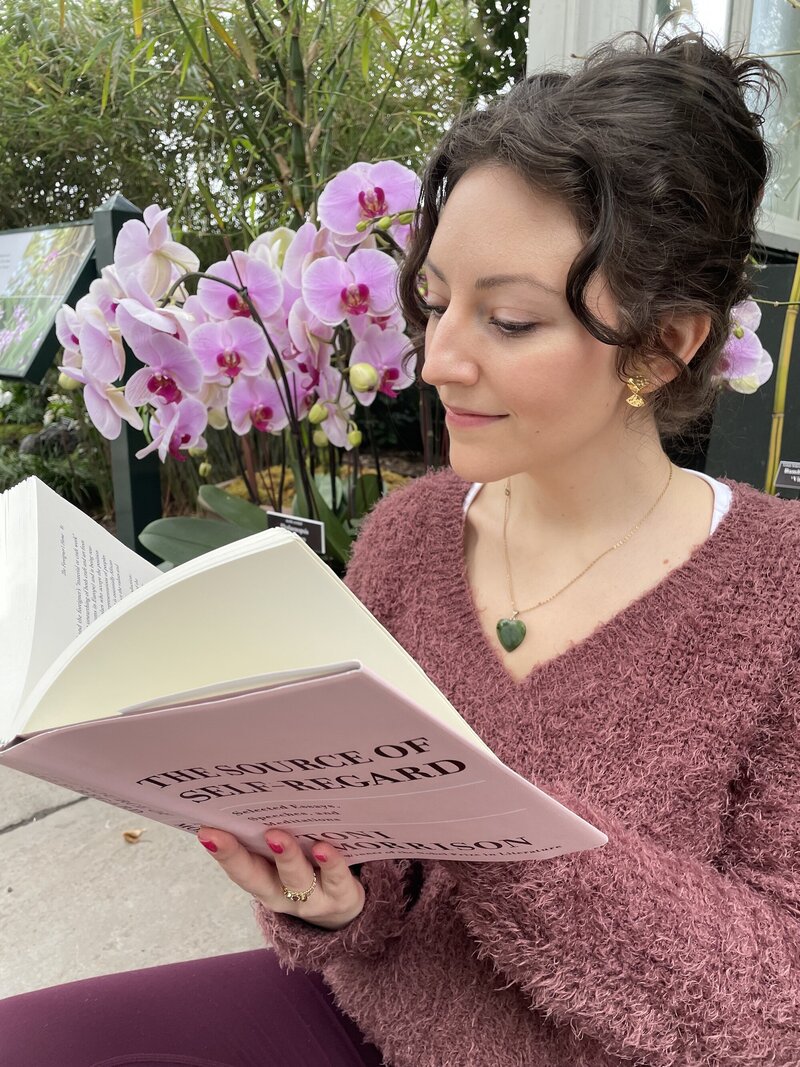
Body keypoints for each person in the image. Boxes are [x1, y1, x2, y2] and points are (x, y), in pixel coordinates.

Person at [4, 22, 800, 1067]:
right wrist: (327, 898)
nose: (436, 360)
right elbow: (380, 894)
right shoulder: (413, 536)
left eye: (507, 321)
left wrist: (513, 833)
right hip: (371, 1019)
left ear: (664, 343)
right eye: (431, 304)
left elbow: (770, 1002)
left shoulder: (775, 595)